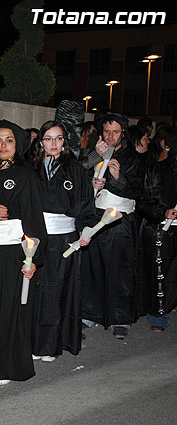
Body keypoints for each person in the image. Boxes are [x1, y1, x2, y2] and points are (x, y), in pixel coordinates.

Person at [0, 120, 48, 385]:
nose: (2, 146)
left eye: (8, 141)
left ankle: (6, 366)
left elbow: (33, 219)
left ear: (17, 145)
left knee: (9, 308)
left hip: (12, 252)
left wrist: (33, 258)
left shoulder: (26, 175)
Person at [29, 120, 96, 362]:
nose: (54, 144)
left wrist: (85, 231)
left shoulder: (75, 169)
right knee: (33, 289)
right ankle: (31, 341)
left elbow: (86, 204)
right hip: (34, 239)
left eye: (58, 138)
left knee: (56, 290)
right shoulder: (31, 167)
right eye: (48, 138)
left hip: (63, 238)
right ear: (41, 142)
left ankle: (51, 344)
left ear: (64, 141)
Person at [81, 113, 144, 339]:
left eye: (115, 132)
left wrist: (117, 178)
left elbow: (138, 191)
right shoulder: (95, 154)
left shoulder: (133, 159)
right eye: (106, 131)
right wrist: (92, 183)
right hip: (96, 216)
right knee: (93, 267)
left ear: (122, 133)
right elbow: (79, 178)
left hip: (121, 221)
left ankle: (121, 317)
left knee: (121, 269)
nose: (110, 136)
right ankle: (90, 313)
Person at [136, 127, 177, 332]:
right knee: (159, 275)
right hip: (161, 230)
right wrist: (163, 212)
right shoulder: (155, 171)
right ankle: (157, 315)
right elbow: (143, 202)